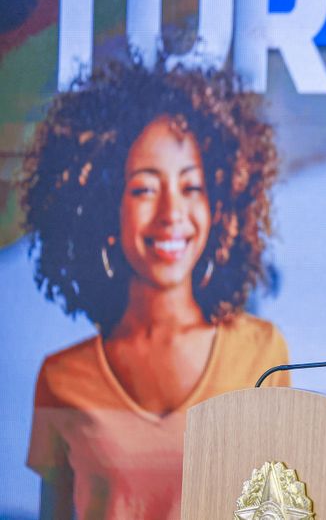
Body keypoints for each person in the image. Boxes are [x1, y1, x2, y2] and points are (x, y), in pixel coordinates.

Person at [21, 58, 290, 519]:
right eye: (145, 189)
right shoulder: (61, 380)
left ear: (220, 204)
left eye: (192, 187)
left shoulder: (261, 354)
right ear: (106, 207)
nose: (171, 212)